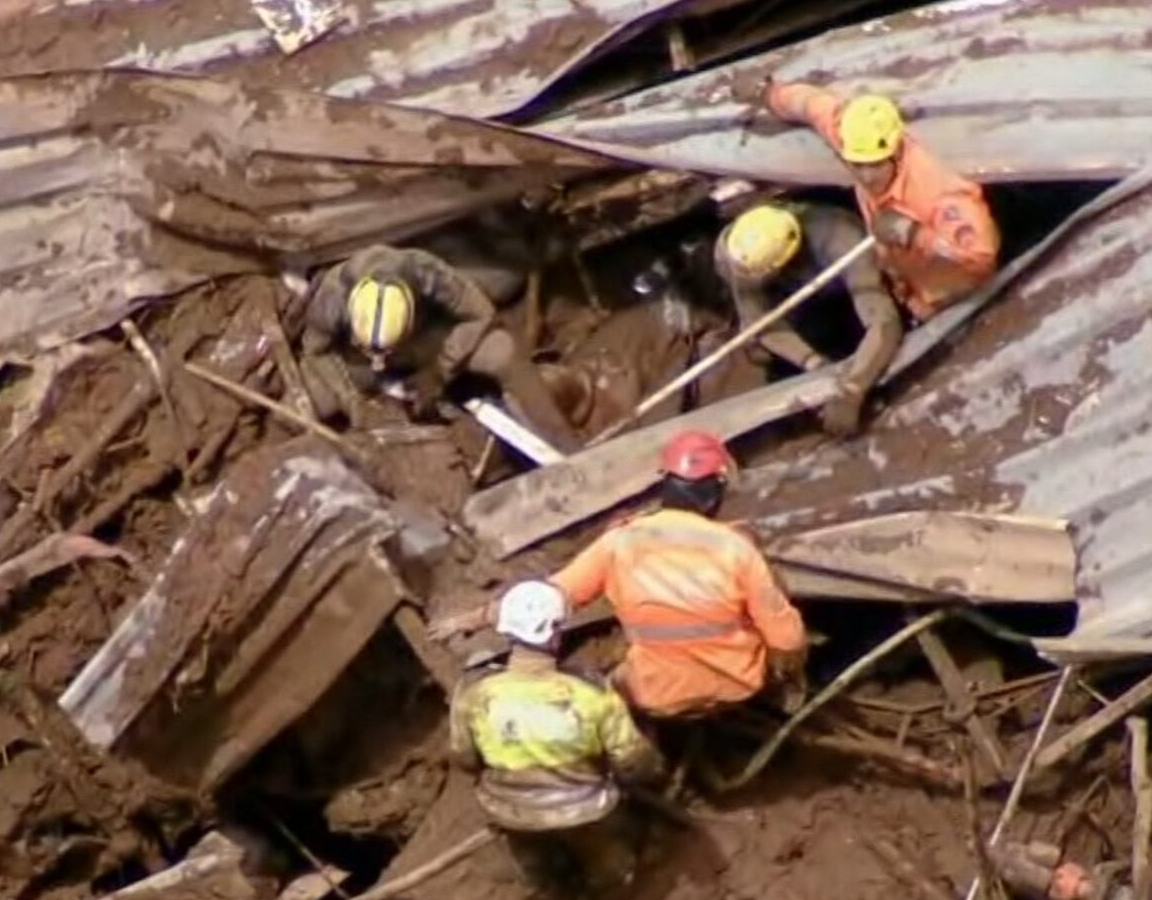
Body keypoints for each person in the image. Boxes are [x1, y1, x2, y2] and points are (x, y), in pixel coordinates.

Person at [551, 430, 808, 720]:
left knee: (604, 678)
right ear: (716, 491)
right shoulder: (736, 548)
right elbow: (787, 639)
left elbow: (551, 597)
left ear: (666, 485)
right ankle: (783, 698)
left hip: (655, 693)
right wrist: (787, 671)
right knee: (779, 620)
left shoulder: (619, 541)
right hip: (734, 686)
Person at [449, 581, 664, 894]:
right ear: (556, 633)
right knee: (607, 858)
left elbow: (464, 758)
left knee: (532, 854)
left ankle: (545, 888)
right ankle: (610, 892)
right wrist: (651, 772)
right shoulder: (591, 693)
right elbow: (633, 761)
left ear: (507, 632)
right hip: (584, 809)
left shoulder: (473, 693)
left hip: (508, 808)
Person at [761, 82, 999, 320]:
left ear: (896, 152)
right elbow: (813, 106)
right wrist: (771, 94)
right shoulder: (855, 141)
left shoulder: (938, 193)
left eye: (876, 165)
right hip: (902, 281)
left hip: (946, 298)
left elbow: (981, 259)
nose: (866, 177)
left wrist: (915, 234)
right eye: (858, 165)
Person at [300, 244, 574, 445]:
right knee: (314, 399)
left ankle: (563, 443)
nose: (379, 360)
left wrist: (438, 371)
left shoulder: (425, 272)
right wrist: (350, 400)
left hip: (431, 343)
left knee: (501, 350)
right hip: (358, 364)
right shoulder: (333, 295)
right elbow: (314, 350)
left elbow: (480, 314)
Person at [716, 201, 903, 436]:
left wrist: (853, 390)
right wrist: (815, 364)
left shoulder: (841, 238)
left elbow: (884, 321)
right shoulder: (742, 256)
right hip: (802, 301)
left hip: (848, 286)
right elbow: (761, 324)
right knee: (762, 351)